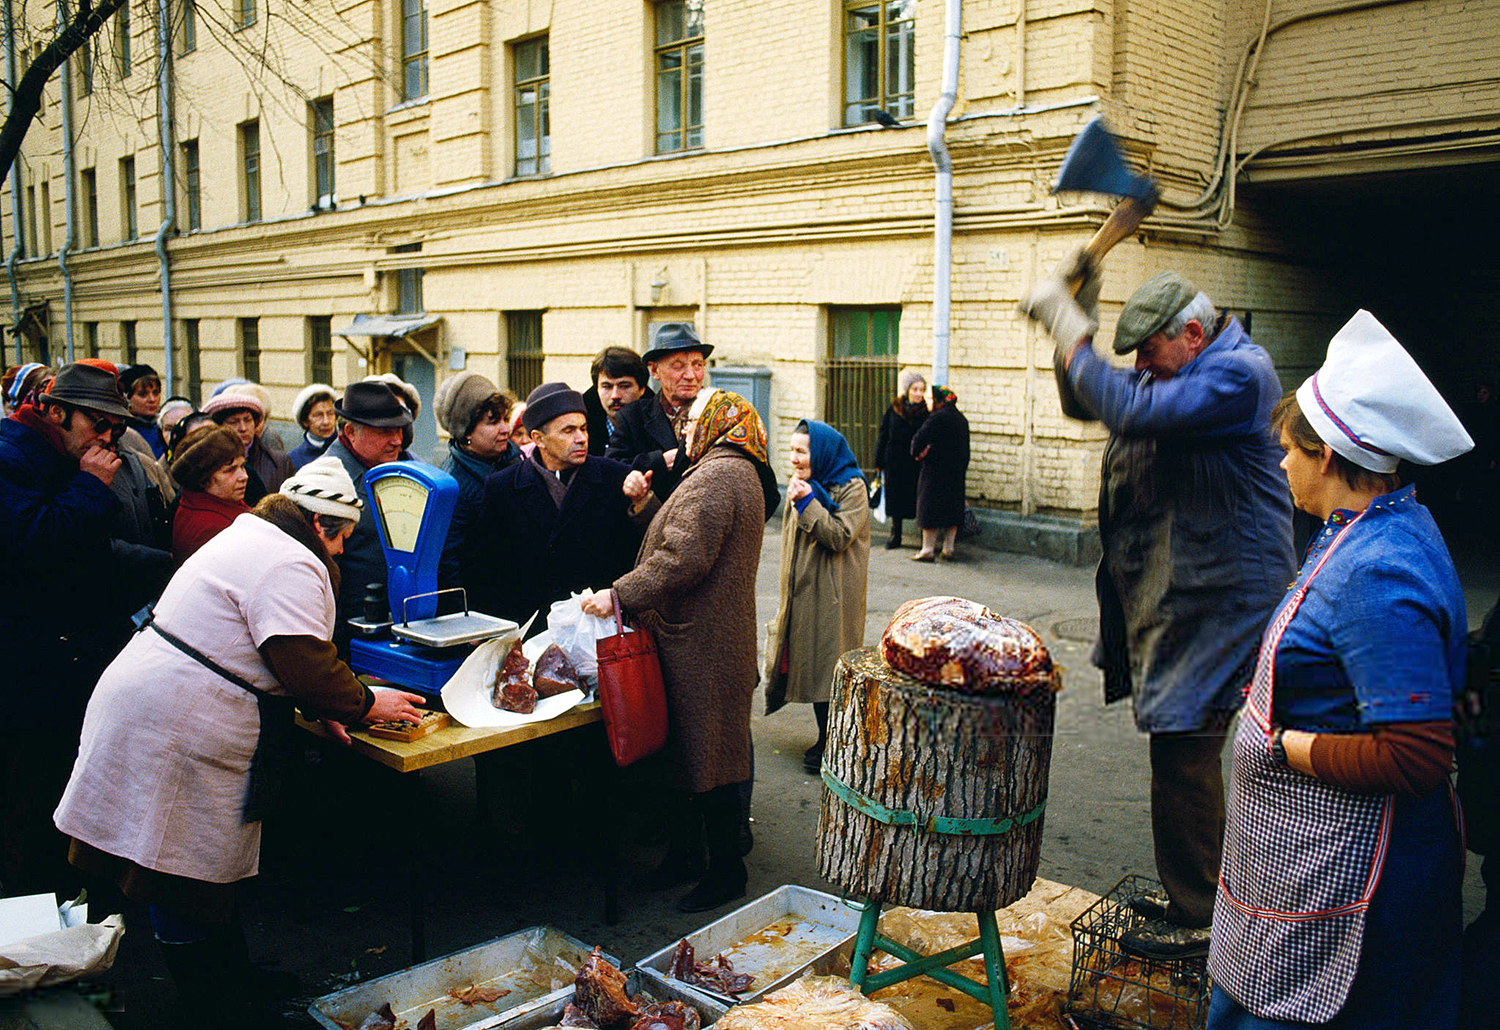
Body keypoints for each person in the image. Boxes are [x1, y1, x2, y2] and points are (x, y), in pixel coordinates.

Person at [53, 457, 425, 1022]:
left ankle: (232, 976)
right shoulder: (291, 561)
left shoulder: (253, 535)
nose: (344, 552)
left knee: (195, 867)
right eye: (343, 537)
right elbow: (301, 661)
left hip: (158, 704)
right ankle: (212, 1002)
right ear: (322, 525)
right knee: (179, 871)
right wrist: (367, 703)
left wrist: (324, 707)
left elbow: (263, 646)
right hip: (176, 720)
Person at [1205, 310, 1472, 1029]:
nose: (1281, 464)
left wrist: (1283, 747)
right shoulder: (1371, 529)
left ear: (1326, 456)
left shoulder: (1379, 571)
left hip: (1350, 888)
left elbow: (1416, 755)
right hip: (1307, 868)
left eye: (1288, 451)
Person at [1019, 264, 1294, 957]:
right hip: (1181, 587)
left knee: (1185, 744)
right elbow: (1091, 402)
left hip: (1224, 597)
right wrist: (1072, 336)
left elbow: (1133, 409)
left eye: (1148, 352)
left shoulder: (1240, 375)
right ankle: (1198, 892)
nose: (1140, 367)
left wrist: (1072, 328)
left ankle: (1204, 914)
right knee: (1179, 745)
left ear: (1193, 334)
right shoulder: (1181, 368)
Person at [582, 390, 780, 913]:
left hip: (702, 645)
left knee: (709, 760)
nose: (684, 429)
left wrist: (618, 594)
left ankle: (724, 873)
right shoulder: (734, 469)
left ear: (717, 423)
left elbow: (682, 559)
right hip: (707, 639)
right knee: (697, 757)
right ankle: (689, 857)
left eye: (692, 421)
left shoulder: (719, 476)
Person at [0, 362, 130, 894]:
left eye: (115, 430)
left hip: (66, 650)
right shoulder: (11, 457)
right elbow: (35, 541)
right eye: (97, 424)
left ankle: (64, 893)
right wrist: (89, 486)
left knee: (63, 780)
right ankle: (33, 918)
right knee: (30, 791)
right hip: (30, 661)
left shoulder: (54, 454)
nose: (106, 439)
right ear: (55, 411)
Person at [467, 383, 651, 629]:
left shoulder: (616, 477)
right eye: (568, 431)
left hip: (602, 630)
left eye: (584, 429)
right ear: (538, 439)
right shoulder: (503, 487)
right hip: (532, 632)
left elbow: (645, 549)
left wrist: (642, 503)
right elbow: (487, 569)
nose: (581, 438)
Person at [764, 419, 870, 774]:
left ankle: (834, 742)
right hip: (805, 590)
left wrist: (808, 502)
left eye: (801, 451)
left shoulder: (851, 487)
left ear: (821, 452)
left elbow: (839, 536)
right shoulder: (806, 483)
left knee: (830, 666)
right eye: (791, 450)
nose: (794, 458)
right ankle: (827, 736)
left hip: (834, 593)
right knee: (811, 664)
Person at [324, 381, 414, 655]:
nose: (397, 440)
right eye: (386, 432)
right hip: (353, 632)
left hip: (393, 623)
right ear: (350, 432)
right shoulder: (328, 483)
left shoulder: (392, 467)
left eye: (399, 430)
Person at [607, 323, 712, 502]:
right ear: (655, 370)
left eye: (697, 365)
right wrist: (660, 461)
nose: (690, 375)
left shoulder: (720, 414)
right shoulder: (633, 416)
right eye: (678, 366)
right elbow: (612, 471)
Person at [434, 371, 520, 586]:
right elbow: (449, 561)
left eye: (505, 419)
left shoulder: (515, 461)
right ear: (466, 432)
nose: (505, 429)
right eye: (492, 422)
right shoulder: (453, 485)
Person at [170, 425, 252, 561]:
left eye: (242, 466)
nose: (244, 476)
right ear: (203, 479)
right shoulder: (214, 528)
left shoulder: (199, 503)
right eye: (230, 470)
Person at [908, 384, 970, 561]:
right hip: (956, 473)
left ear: (938, 400)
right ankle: (948, 548)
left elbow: (919, 439)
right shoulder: (961, 419)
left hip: (934, 472)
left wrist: (917, 453)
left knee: (929, 509)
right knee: (953, 510)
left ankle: (928, 549)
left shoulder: (936, 417)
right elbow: (966, 452)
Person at [874, 368, 928, 549]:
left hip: (915, 463)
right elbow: (883, 434)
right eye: (915, 389)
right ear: (907, 391)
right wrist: (878, 461)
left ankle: (924, 538)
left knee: (917, 499)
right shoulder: (894, 408)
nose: (919, 394)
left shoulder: (925, 413)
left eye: (921, 390)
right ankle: (895, 534)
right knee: (895, 499)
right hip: (895, 462)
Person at [220, 383, 294, 497]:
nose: (243, 428)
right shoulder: (213, 464)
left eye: (247, 420)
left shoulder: (280, 462)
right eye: (233, 422)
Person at [586, 346, 650, 456]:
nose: (615, 396)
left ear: (641, 389)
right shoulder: (581, 428)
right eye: (607, 387)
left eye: (624, 386)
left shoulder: (658, 426)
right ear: (597, 389)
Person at [119, 364, 165, 458]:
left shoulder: (164, 427)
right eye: (143, 394)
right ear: (128, 398)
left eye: (155, 393)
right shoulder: (121, 431)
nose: (152, 399)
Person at [288, 383, 338, 469]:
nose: (326, 422)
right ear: (305, 421)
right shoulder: (293, 460)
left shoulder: (349, 449)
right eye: (318, 415)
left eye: (330, 414)